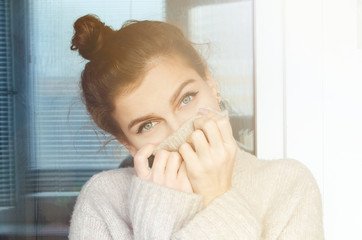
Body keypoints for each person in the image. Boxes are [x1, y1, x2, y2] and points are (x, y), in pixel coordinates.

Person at [68, 14, 324, 239]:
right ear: (128, 144)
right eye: (148, 125)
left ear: (211, 83)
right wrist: (161, 210)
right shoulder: (104, 201)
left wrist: (216, 195)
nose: (180, 128)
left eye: (186, 99)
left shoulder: (288, 186)